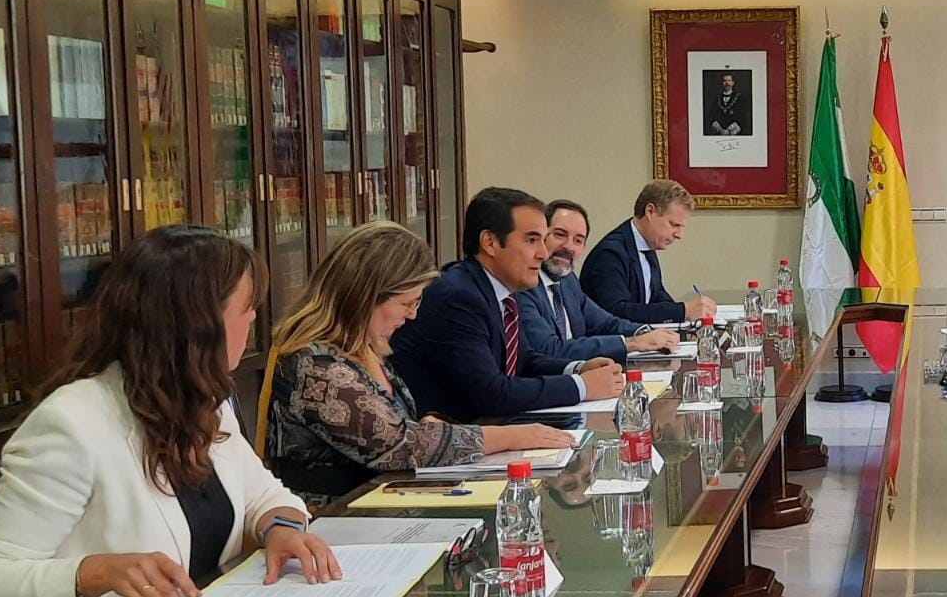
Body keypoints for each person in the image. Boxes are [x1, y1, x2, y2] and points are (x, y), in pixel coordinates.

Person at [0, 226, 339, 597]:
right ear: (200, 323)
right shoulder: (71, 423)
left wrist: (279, 527)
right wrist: (95, 573)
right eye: (247, 308)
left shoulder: (204, 400)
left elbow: (265, 494)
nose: (254, 321)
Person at [261, 221, 575, 500]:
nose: (412, 315)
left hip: (385, 502)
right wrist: (511, 436)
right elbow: (398, 444)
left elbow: (398, 426)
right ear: (366, 296)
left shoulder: (366, 348)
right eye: (407, 303)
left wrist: (427, 424)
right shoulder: (315, 364)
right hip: (332, 518)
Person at [390, 187, 625, 422]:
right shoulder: (458, 296)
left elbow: (526, 360)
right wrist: (581, 386)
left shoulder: (500, 290)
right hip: (448, 431)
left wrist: (578, 368)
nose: (543, 254)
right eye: (532, 240)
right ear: (490, 242)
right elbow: (491, 394)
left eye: (543, 240)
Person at [517, 199, 680, 363]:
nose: (569, 247)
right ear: (541, 237)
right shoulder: (523, 285)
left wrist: (644, 331)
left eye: (578, 240)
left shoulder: (568, 281)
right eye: (560, 234)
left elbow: (606, 323)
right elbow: (549, 349)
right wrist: (633, 343)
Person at [581, 179, 716, 325]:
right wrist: (682, 311)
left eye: (681, 227)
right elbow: (616, 312)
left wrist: (686, 314)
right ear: (650, 211)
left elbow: (657, 295)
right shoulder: (610, 254)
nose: (679, 235)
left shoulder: (647, 245)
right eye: (674, 225)